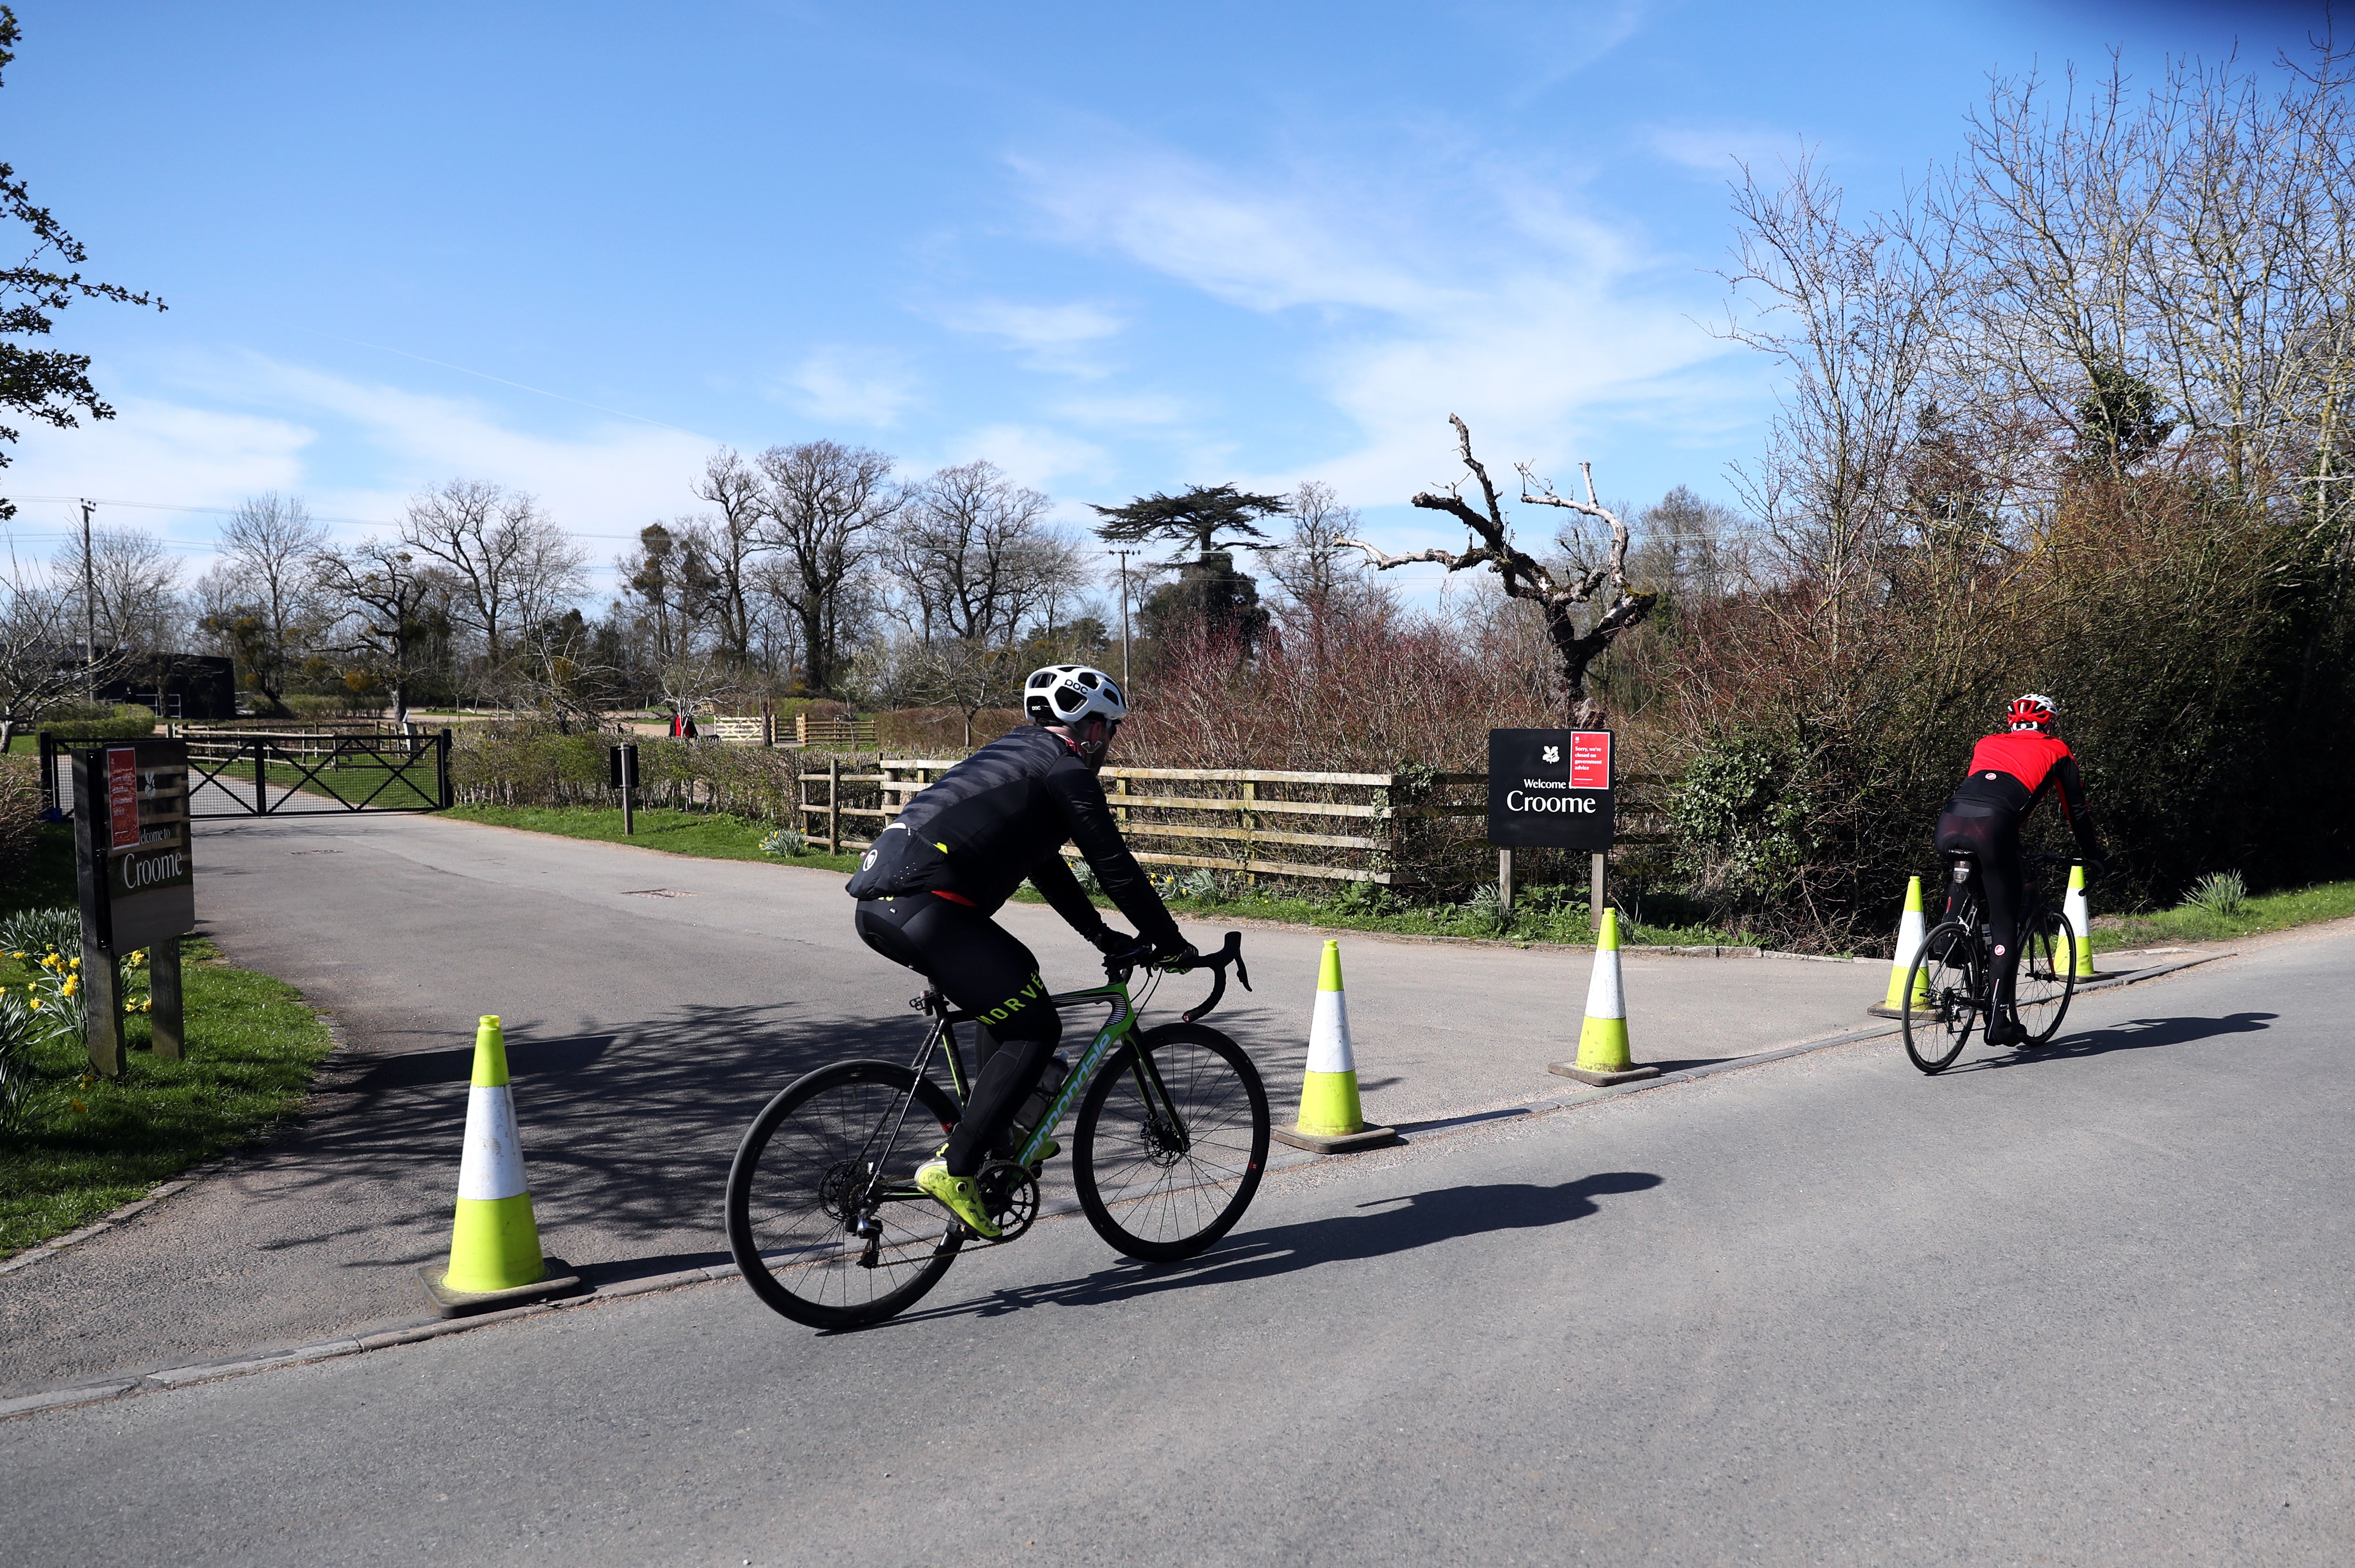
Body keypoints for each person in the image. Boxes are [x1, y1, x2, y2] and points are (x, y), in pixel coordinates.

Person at [846, 663, 1193, 1237]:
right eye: (1109, 729)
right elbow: (1116, 869)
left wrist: (1103, 937)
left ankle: (995, 1138)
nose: (1109, 743)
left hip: (880, 907)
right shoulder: (1067, 771)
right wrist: (1172, 943)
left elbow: (1047, 867)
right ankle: (958, 1167)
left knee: (1015, 985)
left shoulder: (1011, 755)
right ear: (1088, 727)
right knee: (1037, 1028)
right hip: (929, 909)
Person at [1932, 693, 2106, 1046]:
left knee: (1967, 872)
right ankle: (1997, 1022)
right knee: (2004, 925)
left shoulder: (1987, 743)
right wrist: (2095, 856)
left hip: (1950, 822)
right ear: (2049, 723)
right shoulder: (2058, 750)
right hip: (1995, 828)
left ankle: (1951, 937)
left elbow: (1983, 791)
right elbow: (2078, 811)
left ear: (2012, 723)